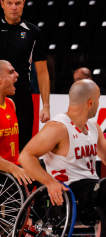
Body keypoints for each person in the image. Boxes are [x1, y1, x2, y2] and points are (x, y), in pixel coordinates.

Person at [18, 80, 106, 237]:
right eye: (98, 99)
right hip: (70, 194)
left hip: (92, 190)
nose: (98, 104)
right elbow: (26, 156)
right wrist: (49, 182)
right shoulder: (58, 127)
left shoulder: (93, 127)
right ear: (90, 102)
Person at [0, 0, 51, 151]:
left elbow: (42, 72)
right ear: (2, 4)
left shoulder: (33, 32)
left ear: (23, 4)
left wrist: (46, 105)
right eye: (9, 3)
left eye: (17, 3)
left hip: (21, 95)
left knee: (23, 147)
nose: (13, 7)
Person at [0, 60, 32, 185]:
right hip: (5, 172)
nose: (17, 75)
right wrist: (14, 169)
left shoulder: (10, 104)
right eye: (11, 72)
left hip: (14, 169)